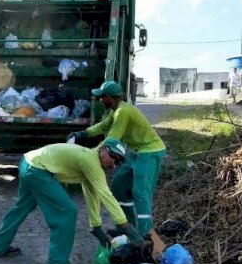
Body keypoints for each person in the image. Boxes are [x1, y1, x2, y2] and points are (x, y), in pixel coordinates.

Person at [0, 139, 143, 264]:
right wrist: (126, 226)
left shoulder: (91, 162)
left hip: (28, 162)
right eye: (113, 156)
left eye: (118, 161)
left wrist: (96, 226)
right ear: (102, 149)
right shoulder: (90, 160)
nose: (114, 163)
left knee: (22, 207)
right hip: (38, 170)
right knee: (67, 212)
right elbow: (106, 195)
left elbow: (93, 194)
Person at [67, 81, 167, 237]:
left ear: (109, 98)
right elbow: (103, 126)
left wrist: (91, 154)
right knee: (119, 186)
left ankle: (146, 234)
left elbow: (112, 139)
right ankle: (127, 227)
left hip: (150, 151)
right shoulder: (116, 110)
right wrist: (83, 134)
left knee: (141, 193)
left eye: (102, 97)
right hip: (136, 152)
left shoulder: (123, 112)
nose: (100, 100)